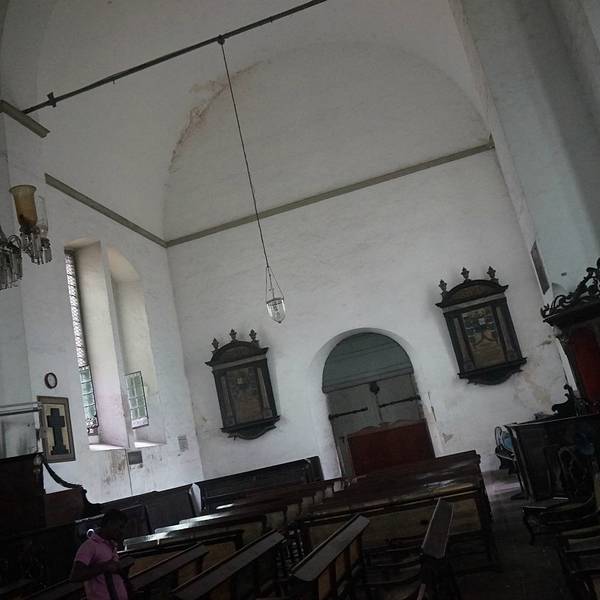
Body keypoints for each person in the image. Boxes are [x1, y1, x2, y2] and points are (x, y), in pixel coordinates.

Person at [70, 509, 133, 600]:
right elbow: (76, 575)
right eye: (120, 527)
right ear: (109, 523)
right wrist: (104, 567)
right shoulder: (89, 546)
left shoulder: (111, 545)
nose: (121, 531)